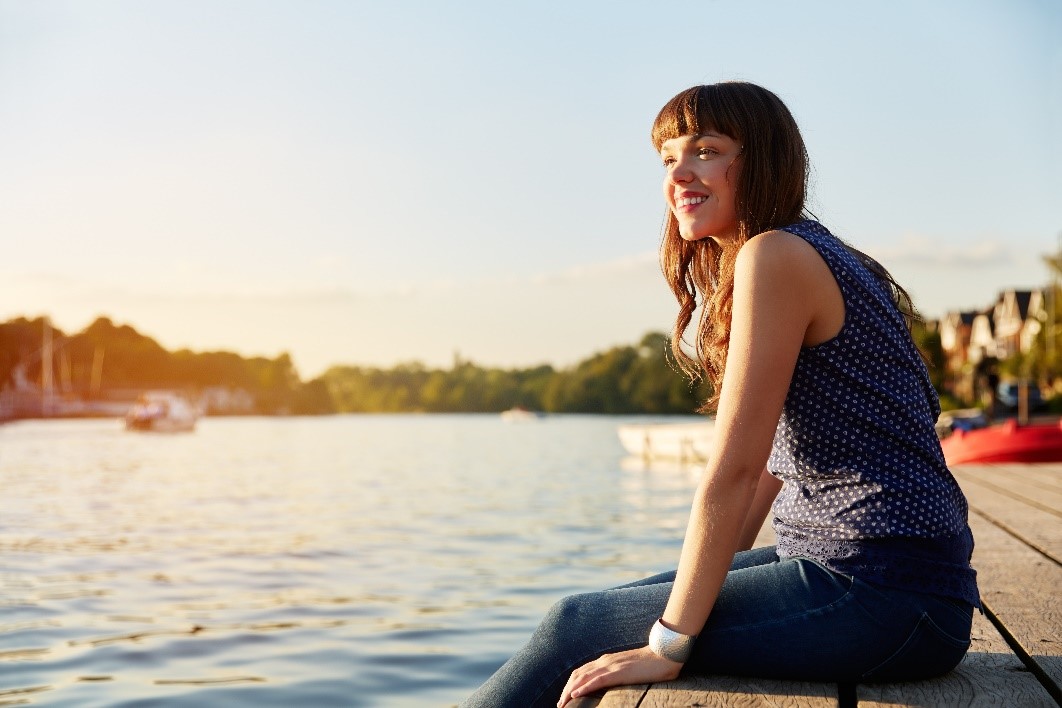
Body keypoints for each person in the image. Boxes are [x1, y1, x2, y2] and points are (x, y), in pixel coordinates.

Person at [463, 82, 979, 708]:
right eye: (667, 158)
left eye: (705, 150)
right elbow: (769, 464)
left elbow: (731, 470)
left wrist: (670, 644)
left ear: (762, 160)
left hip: (884, 595)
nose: (680, 172)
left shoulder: (775, 256)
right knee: (607, 610)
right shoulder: (817, 252)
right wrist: (714, 582)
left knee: (577, 624)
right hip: (896, 588)